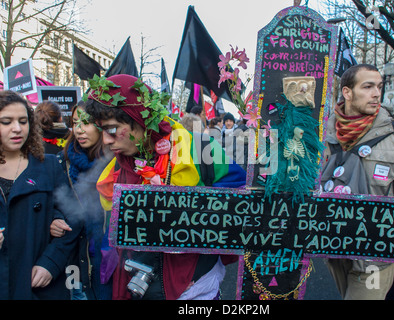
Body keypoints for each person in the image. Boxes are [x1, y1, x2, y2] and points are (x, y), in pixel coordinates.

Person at [84, 74, 246, 300]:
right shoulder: (118, 169)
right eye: (102, 130)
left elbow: (239, 208)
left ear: (140, 119)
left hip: (195, 291)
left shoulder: (202, 149)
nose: (106, 140)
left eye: (112, 129)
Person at [322, 64, 394, 300]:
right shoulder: (323, 132)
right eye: (368, 86)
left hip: (376, 255)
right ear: (347, 92)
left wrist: (390, 248)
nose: (377, 93)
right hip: (333, 246)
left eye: (379, 87)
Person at [0, 90, 80, 299]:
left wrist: (51, 262)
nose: (17, 129)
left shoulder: (49, 166)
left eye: (23, 121)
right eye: (6, 122)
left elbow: (75, 218)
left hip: (37, 288)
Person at [50, 101, 113, 300]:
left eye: (86, 123)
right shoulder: (60, 162)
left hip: (109, 261)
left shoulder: (118, 162)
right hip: (74, 260)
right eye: (75, 122)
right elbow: (49, 202)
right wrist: (54, 218)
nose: (78, 130)